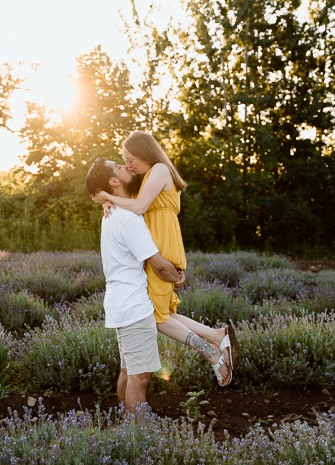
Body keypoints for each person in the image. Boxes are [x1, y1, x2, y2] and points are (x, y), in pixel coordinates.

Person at [92, 130, 236, 387]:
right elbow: (125, 198)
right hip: (155, 248)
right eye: (124, 160)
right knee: (163, 313)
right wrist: (105, 202)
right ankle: (217, 335)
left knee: (156, 317)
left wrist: (106, 197)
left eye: (130, 158)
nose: (127, 164)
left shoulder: (159, 169)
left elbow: (137, 208)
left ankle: (212, 350)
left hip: (160, 248)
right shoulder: (148, 177)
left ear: (144, 153)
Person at [85, 157, 185, 417]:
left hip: (121, 303)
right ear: (114, 182)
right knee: (140, 378)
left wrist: (104, 197)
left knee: (129, 371)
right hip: (133, 306)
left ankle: (127, 428)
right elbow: (158, 263)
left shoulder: (112, 212)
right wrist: (177, 277)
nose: (126, 166)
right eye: (119, 167)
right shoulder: (128, 217)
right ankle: (138, 437)